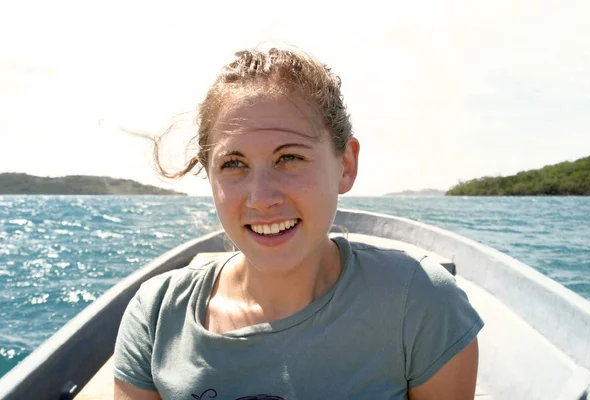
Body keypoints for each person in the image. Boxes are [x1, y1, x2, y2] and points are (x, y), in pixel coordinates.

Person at [113, 45, 484, 400]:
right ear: (210, 176)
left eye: (288, 158)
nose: (261, 198)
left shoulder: (420, 304)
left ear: (346, 166)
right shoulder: (157, 316)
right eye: (233, 164)